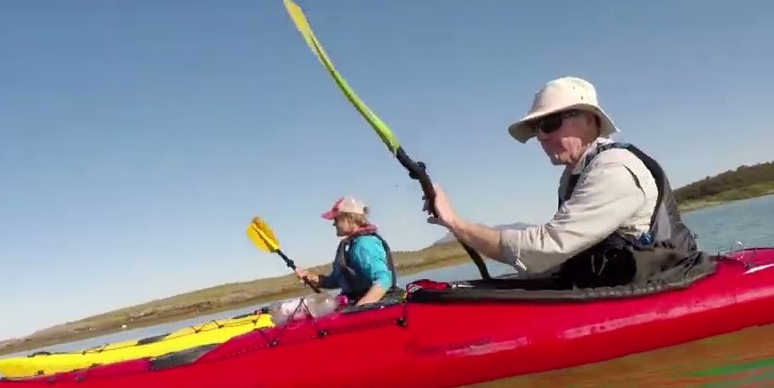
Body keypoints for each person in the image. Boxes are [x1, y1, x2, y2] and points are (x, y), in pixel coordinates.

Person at [423, 76, 702, 289]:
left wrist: (456, 223)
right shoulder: (573, 174)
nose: (541, 137)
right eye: (537, 128)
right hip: (615, 285)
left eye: (550, 123)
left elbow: (545, 249)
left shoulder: (614, 169)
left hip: (664, 284)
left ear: (590, 121)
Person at [294, 195, 398, 307]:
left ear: (350, 219)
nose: (333, 224)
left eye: (336, 219)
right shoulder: (351, 245)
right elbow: (337, 280)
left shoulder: (364, 245)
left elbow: (383, 280)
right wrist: (314, 278)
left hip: (378, 308)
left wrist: (358, 310)